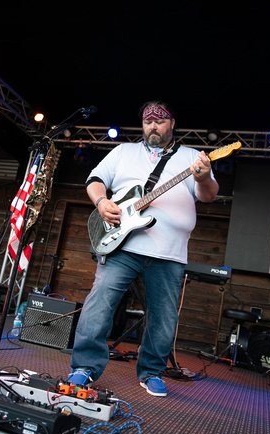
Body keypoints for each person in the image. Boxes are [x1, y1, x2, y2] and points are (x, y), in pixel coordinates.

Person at [67, 100, 219, 397]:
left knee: (163, 317)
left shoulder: (191, 157)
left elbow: (209, 195)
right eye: (148, 121)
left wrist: (202, 177)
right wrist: (101, 202)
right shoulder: (123, 151)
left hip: (169, 253)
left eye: (159, 121)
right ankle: (84, 366)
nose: (153, 126)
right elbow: (95, 180)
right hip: (123, 246)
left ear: (172, 124)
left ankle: (151, 372)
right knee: (100, 304)